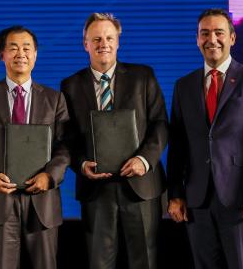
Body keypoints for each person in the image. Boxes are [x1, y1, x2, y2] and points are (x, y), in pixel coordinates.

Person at [167, 8, 243, 269]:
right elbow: (178, 146)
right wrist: (175, 194)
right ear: (197, 40)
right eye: (204, 34)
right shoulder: (184, 86)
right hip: (197, 201)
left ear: (232, 38)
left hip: (242, 201)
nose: (212, 39)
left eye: (219, 33)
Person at [60, 13, 168, 269]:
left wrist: (144, 160)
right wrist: (81, 163)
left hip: (141, 186)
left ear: (118, 41)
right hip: (96, 189)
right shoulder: (71, 86)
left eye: (109, 37)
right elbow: (67, 137)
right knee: (99, 262)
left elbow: (160, 124)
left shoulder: (143, 76)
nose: (103, 43)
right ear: (85, 43)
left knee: (145, 261)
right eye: (96, 39)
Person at [0, 26, 70, 269]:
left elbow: (65, 146)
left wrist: (50, 175)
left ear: (35, 55)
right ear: (2, 54)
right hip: (0, 200)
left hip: (42, 200)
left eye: (27, 48)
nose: (20, 53)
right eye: (13, 48)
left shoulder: (54, 99)